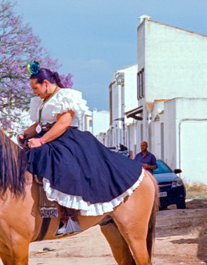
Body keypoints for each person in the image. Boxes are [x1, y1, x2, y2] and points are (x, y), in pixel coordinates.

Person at [18, 62, 145, 236]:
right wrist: (25, 134)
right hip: (49, 138)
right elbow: (39, 125)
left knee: (63, 167)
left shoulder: (65, 96)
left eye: (35, 88)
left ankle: (69, 218)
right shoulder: (42, 101)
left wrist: (41, 142)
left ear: (46, 83)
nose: (34, 92)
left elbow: (63, 123)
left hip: (67, 139)